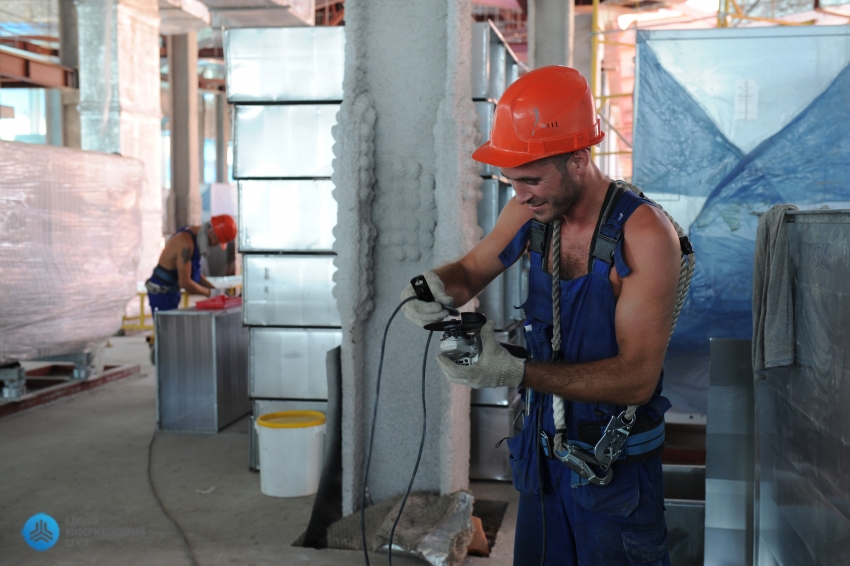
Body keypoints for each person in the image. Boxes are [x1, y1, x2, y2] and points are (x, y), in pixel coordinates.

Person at [401, 66, 684, 565]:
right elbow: (471, 270)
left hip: (612, 469)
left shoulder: (643, 235)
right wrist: (436, 286)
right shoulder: (532, 210)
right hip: (543, 455)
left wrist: (514, 370)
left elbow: (637, 379)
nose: (521, 195)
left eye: (531, 180)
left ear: (578, 161)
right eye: (512, 182)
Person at [145, 214, 238, 313]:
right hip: (161, 294)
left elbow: (195, 274)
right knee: (166, 323)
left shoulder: (195, 238)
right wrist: (210, 293)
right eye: (218, 241)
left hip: (171, 293)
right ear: (211, 233)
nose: (216, 246)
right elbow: (184, 282)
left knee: (172, 322)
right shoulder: (186, 242)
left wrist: (216, 290)